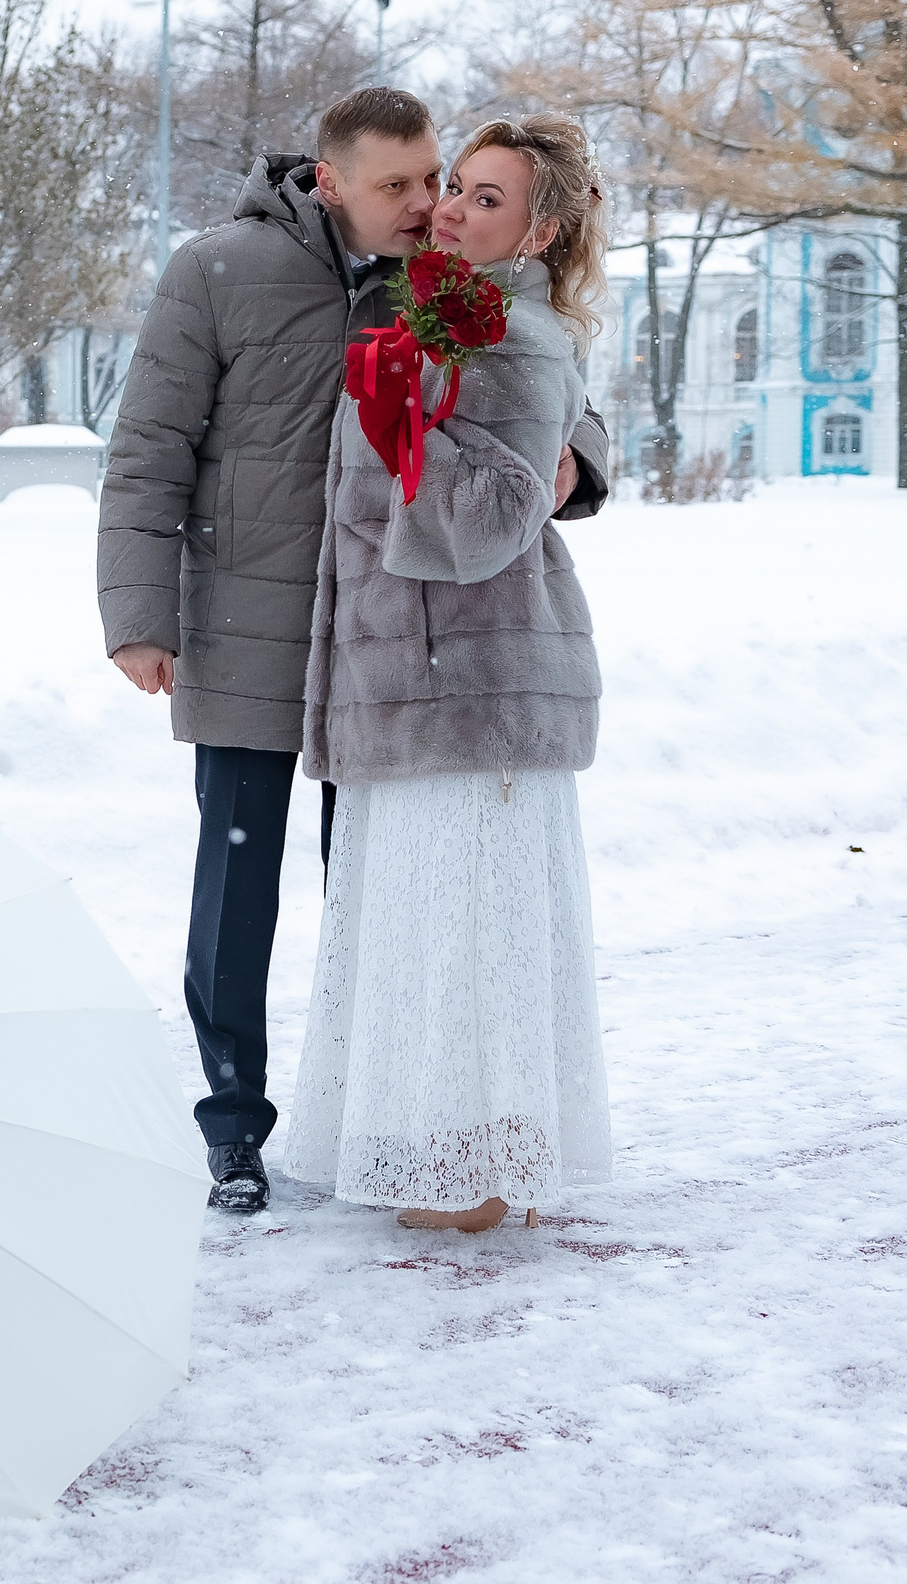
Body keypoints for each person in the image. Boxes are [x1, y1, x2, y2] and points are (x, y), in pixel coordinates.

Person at [96, 87, 611, 1214]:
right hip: (249, 625)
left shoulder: (432, 278)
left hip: (385, 644)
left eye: (435, 181)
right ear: (328, 182)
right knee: (235, 894)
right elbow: (146, 448)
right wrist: (139, 616)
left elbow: (549, 381)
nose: (426, 205)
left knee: (379, 894)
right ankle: (233, 1126)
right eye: (399, 186)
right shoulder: (218, 269)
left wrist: (578, 460)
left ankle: (380, 1119)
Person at [279, 114, 613, 1233]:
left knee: (468, 932)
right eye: (456, 188)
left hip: (470, 680)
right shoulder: (447, 321)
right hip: (413, 672)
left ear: (540, 228)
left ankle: (478, 1174)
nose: (453, 210)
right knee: (430, 931)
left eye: (484, 197)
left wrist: (402, 411)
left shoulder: (510, 333)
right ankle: (447, 1153)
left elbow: (485, 524)